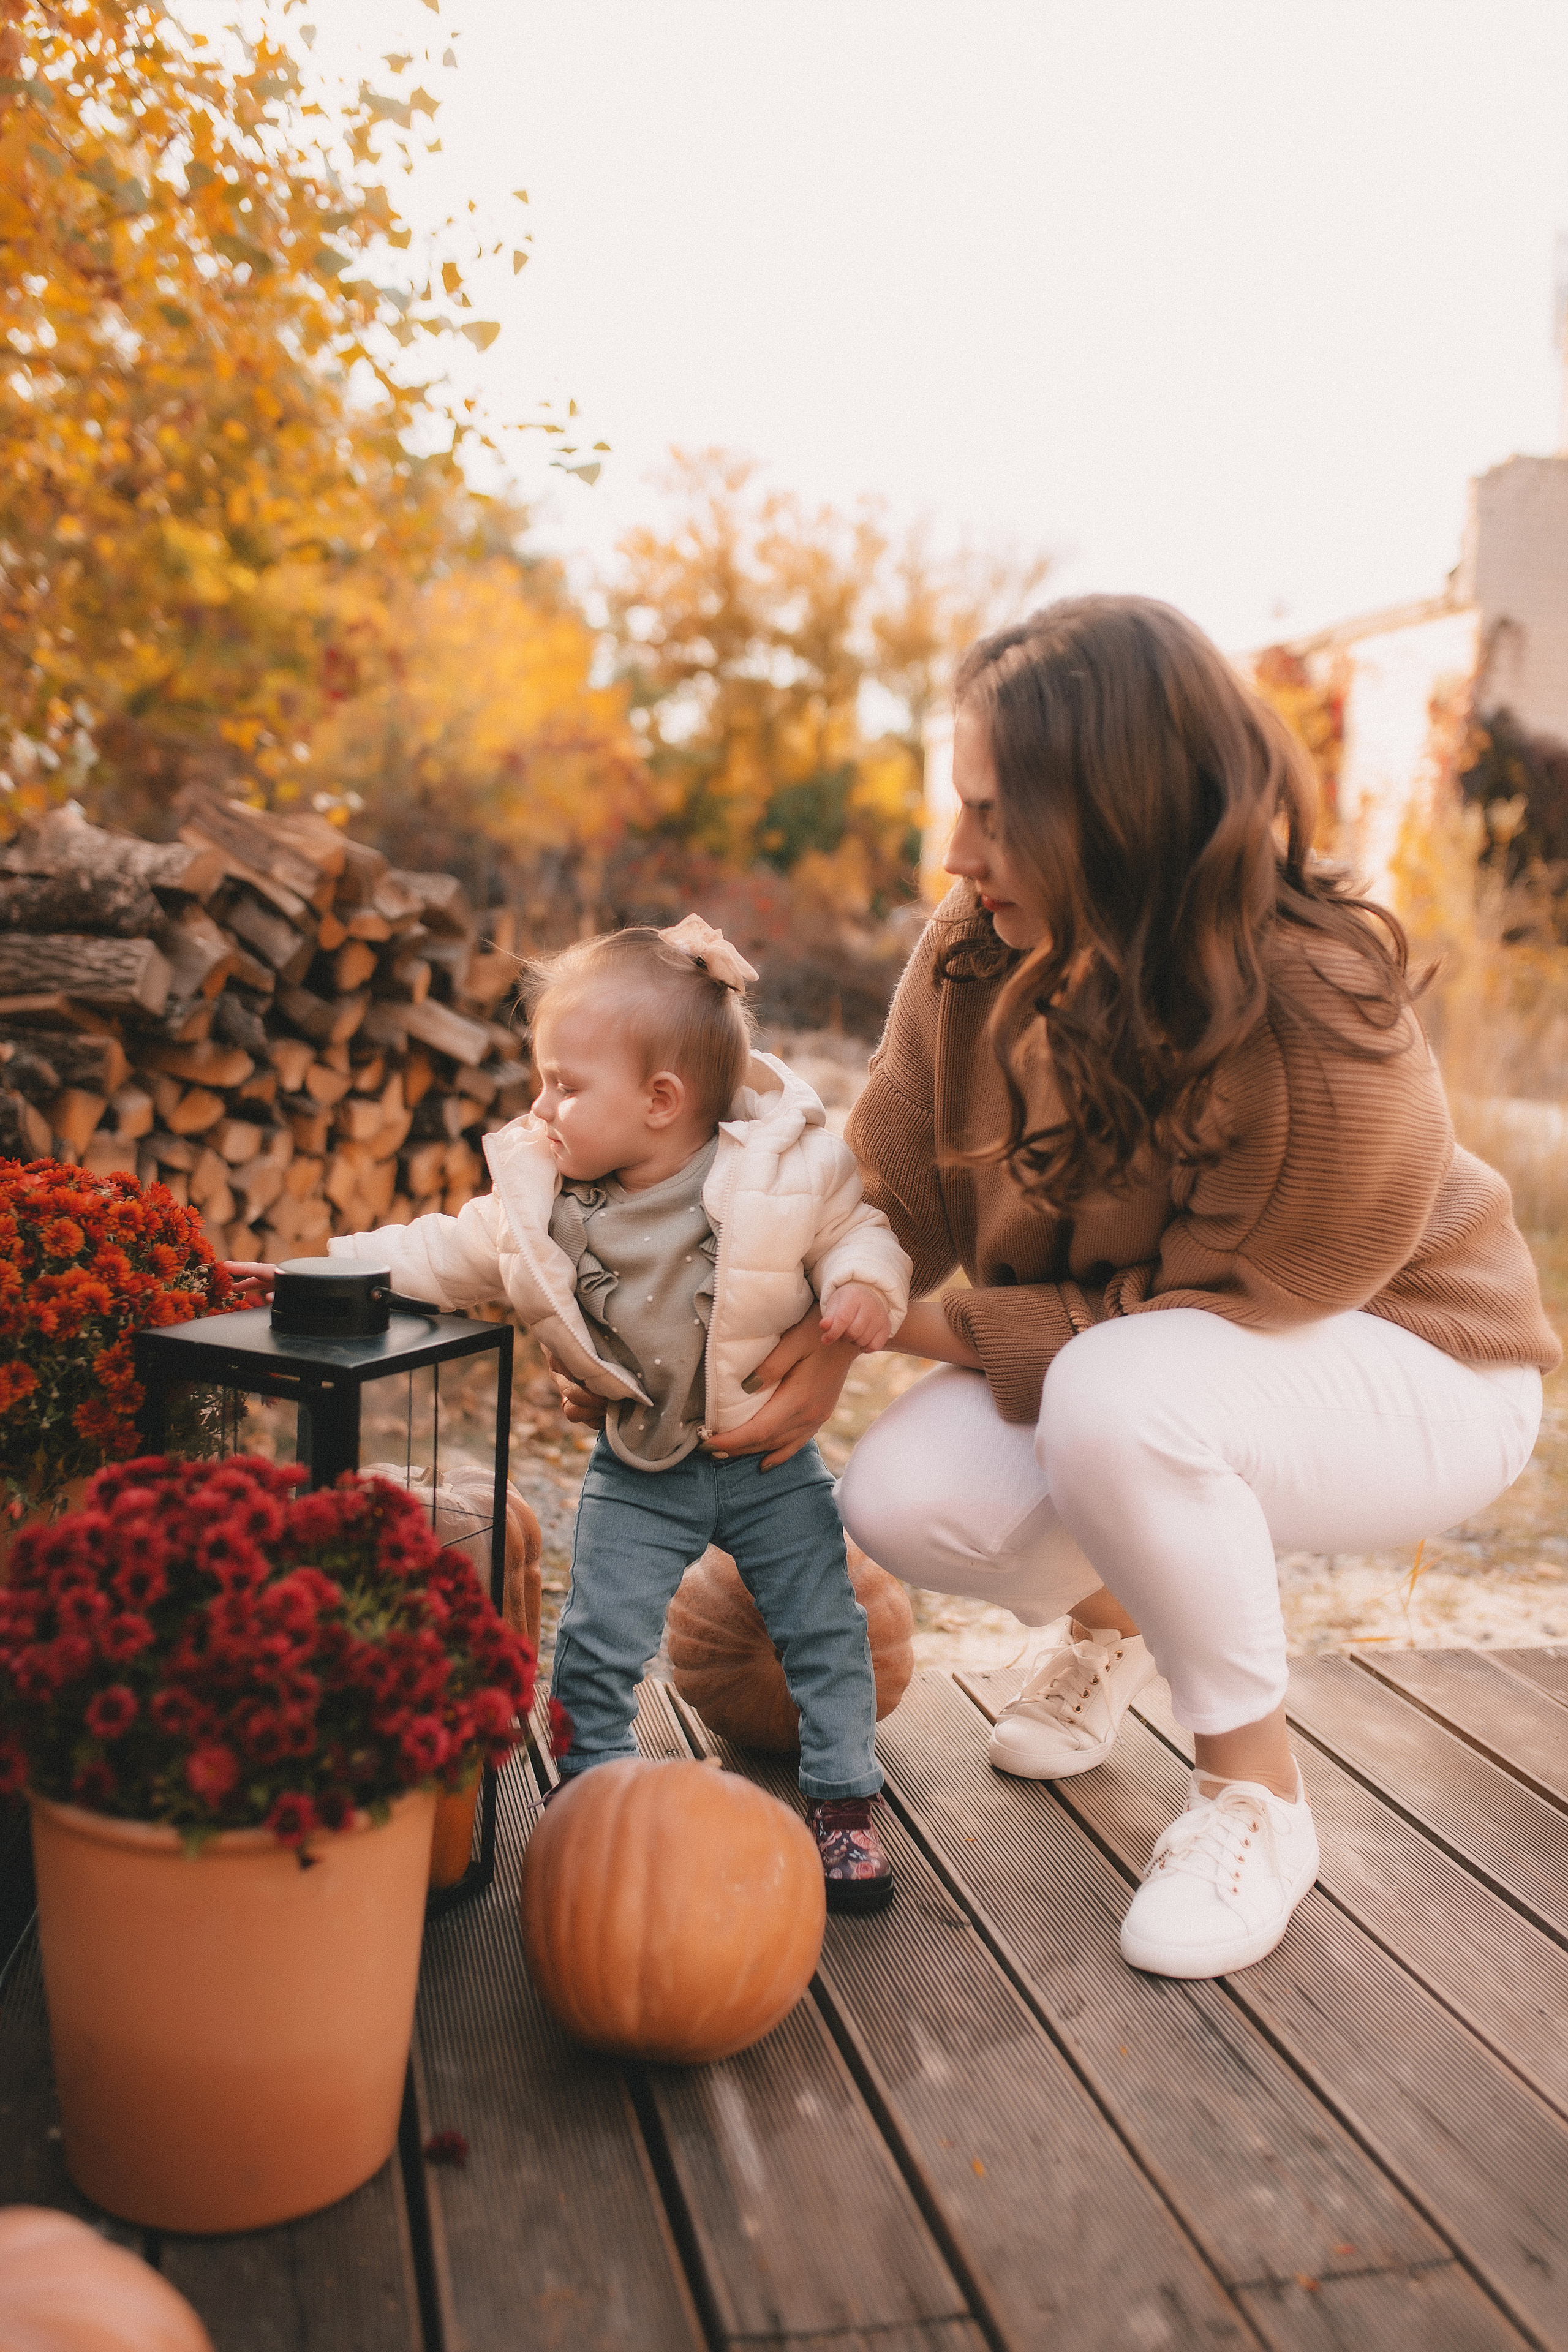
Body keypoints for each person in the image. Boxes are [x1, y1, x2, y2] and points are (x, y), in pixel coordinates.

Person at [609, 594, 1556, 1983]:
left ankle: (1252, 1798)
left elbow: (1233, 1312)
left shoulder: (1315, 1010)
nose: (956, 852)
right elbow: (897, 1169)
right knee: (904, 1491)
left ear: (1107, 807)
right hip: (1158, 1361)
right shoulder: (981, 938)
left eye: (991, 816)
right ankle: (1117, 1625)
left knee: (1119, 1402)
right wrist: (804, 1321)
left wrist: (893, 1332)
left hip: (1412, 1361)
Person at [321, 916, 912, 1910]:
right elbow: (438, 1250)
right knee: (597, 1639)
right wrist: (316, 1275)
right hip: (642, 1469)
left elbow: (860, 1228)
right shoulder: (545, 1197)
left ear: (660, 1100)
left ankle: (845, 1804)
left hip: (769, 1462)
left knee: (825, 1631)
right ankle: (593, 1791)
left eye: (563, 1083)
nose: (540, 1104)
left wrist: (864, 1290)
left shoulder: (780, 1169)